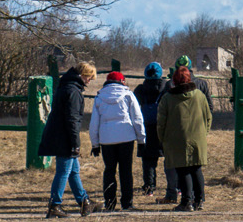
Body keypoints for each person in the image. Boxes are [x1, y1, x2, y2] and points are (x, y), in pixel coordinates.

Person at [39, 61, 97, 218]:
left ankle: (84, 202)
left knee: (73, 171)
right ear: (82, 76)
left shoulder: (66, 86)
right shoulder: (73, 92)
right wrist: (75, 142)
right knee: (64, 171)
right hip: (64, 137)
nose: (90, 81)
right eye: (89, 77)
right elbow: (73, 119)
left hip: (59, 134)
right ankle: (55, 205)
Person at [89, 69, 145, 212]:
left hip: (106, 139)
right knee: (126, 171)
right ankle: (127, 203)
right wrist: (141, 139)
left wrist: (95, 144)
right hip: (126, 137)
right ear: (122, 81)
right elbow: (137, 119)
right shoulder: (128, 95)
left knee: (109, 171)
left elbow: (94, 123)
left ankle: (110, 203)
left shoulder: (99, 97)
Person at [156, 64, 210, 212]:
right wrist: (203, 133)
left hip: (175, 140)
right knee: (196, 169)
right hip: (197, 138)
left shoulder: (167, 98)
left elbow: (161, 122)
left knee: (183, 170)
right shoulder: (199, 95)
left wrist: (162, 139)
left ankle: (186, 202)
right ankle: (199, 200)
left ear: (174, 80)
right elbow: (208, 116)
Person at [132, 63, 165, 198]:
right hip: (162, 125)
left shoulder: (140, 89)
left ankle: (149, 187)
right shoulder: (165, 87)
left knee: (148, 160)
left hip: (146, 126)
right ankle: (175, 186)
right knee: (170, 158)